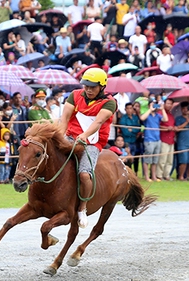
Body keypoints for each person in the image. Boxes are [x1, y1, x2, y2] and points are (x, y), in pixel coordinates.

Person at [60, 68, 117, 229]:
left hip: (92, 142)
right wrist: (59, 136)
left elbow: (98, 122)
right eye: (86, 86)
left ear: (102, 87)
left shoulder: (110, 102)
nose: (88, 90)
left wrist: (85, 135)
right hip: (71, 136)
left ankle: (82, 208)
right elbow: (64, 118)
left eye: (92, 87)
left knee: (85, 174)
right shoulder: (75, 95)